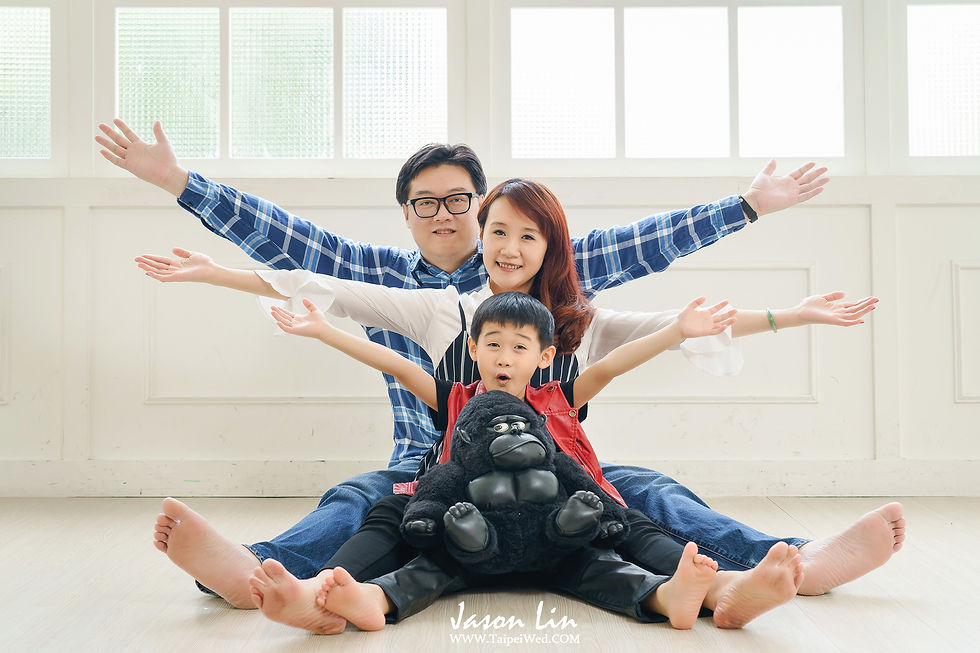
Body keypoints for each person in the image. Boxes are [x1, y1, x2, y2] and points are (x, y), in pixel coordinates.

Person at [141, 176, 903, 616]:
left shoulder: (579, 326)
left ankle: (790, 562)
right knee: (363, 496)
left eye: (528, 237)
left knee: (648, 490)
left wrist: (794, 312)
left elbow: (681, 325)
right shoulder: (443, 311)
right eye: (498, 231)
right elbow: (331, 292)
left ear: (549, 247)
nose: (509, 248)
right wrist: (218, 273)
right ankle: (255, 571)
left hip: (566, 482)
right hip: (441, 474)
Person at [242, 290, 808, 633]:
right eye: (492, 343)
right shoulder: (456, 397)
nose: (504, 357)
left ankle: (714, 590)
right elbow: (394, 363)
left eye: (519, 347)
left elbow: (612, 366)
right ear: (473, 349)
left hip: (560, 528)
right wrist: (324, 331)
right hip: (470, 530)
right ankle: (323, 589)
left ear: (544, 356)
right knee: (389, 514)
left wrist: (676, 331)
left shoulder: (558, 398)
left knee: (629, 523)